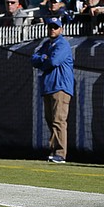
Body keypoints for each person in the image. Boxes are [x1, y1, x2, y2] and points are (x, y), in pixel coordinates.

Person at [31, 16, 74, 163]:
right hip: (49, 86)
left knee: (59, 120)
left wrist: (43, 60)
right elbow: (34, 59)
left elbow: (54, 61)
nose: (52, 29)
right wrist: (44, 58)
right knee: (50, 120)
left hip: (60, 86)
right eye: (50, 27)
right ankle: (54, 150)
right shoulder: (47, 44)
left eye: (55, 27)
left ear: (61, 29)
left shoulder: (62, 44)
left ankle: (61, 154)